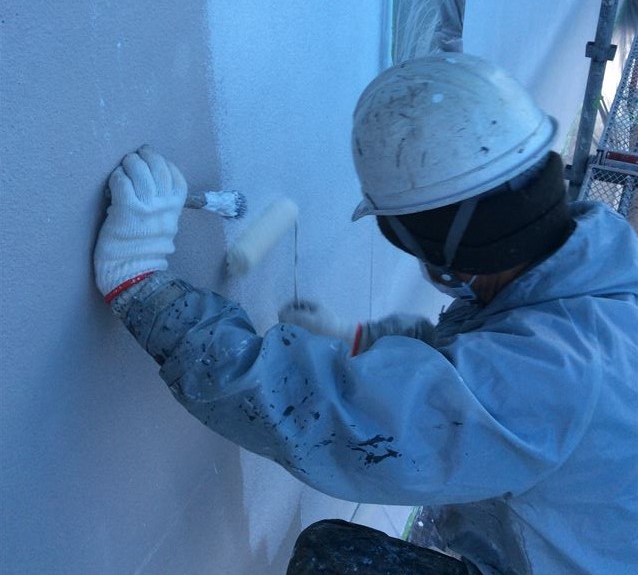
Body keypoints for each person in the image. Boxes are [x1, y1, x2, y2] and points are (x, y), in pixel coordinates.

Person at [94, 53, 638, 574]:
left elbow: (323, 416)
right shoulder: (593, 278)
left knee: (333, 561)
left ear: (436, 246)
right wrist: (356, 338)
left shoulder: (550, 378)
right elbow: (481, 363)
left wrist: (143, 287)